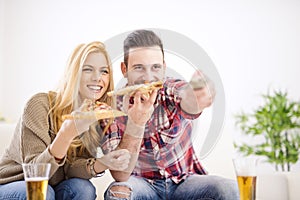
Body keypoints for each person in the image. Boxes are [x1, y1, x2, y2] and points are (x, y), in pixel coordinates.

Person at [0, 41, 153, 200]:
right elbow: (36, 173)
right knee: (45, 192)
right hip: (17, 183)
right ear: (74, 73)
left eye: (104, 71)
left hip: (57, 185)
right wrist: (66, 135)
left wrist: (103, 162)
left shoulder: (98, 116)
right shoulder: (40, 105)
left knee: (83, 188)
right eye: (88, 69)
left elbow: (70, 169)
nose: (97, 78)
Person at [103, 30, 239, 200]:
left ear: (164, 68)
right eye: (139, 68)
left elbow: (185, 96)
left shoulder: (168, 89)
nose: (148, 77)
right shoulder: (111, 109)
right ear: (124, 69)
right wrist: (136, 125)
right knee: (117, 192)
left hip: (184, 182)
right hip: (142, 185)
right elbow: (120, 174)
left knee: (230, 189)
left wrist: (196, 95)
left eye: (156, 67)